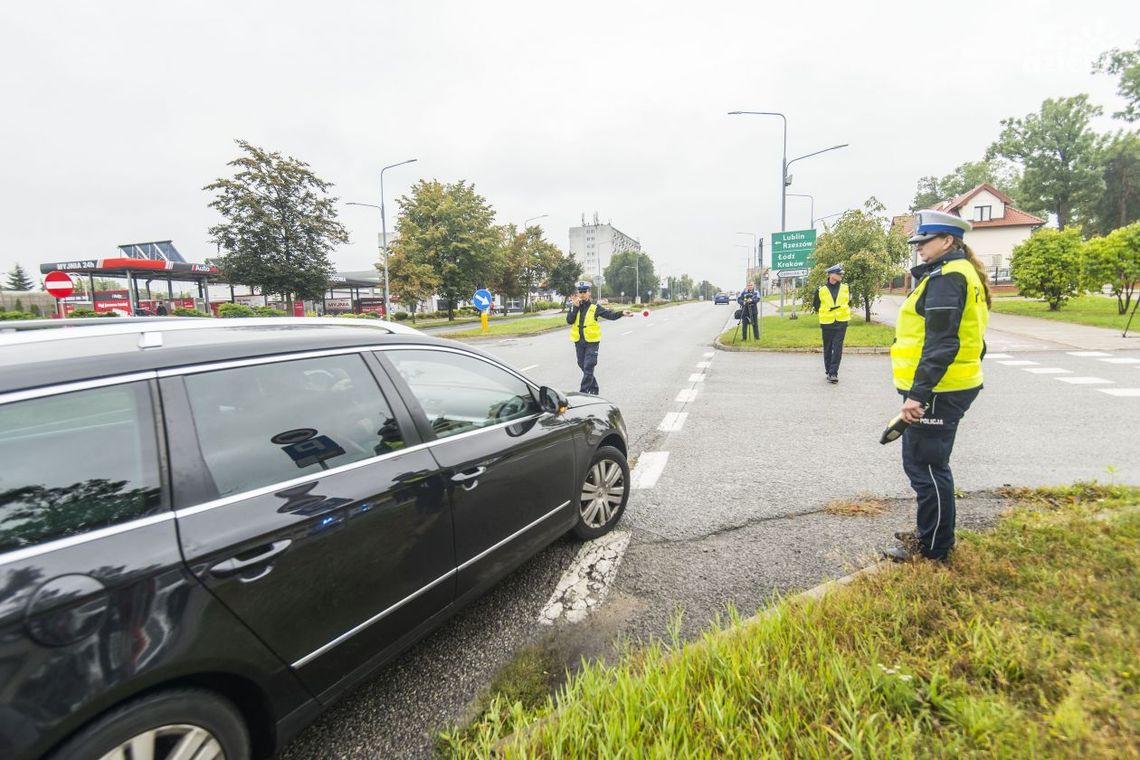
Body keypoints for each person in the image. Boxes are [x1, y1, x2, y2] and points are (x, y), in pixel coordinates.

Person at [884, 210, 990, 564]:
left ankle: (934, 550)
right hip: (947, 385)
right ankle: (929, 534)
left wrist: (918, 396)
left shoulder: (948, 277)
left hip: (939, 390)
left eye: (924, 242)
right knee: (924, 463)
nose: (919, 249)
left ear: (947, 241)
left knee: (927, 467)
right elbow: (971, 336)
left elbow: (942, 342)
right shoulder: (960, 273)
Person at [566, 281, 632, 395]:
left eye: (584, 292)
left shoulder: (595, 308)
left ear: (589, 293)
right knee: (582, 365)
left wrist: (622, 313)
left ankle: (583, 392)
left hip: (592, 342)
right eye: (580, 292)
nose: (582, 294)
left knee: (588, 366)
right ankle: (594, 388)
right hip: (579, 342)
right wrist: (575, 308)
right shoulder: (574, 306)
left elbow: (610, 315)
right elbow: (569, 320)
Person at [813, 264, 850, 383]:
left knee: (837, 347)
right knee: (828, 347)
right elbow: (816, 306)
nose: (841, 275)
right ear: (830, 275)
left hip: (841, 321)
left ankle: (834, 372)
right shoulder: (820, 290)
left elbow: (850, 301)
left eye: (841, 274)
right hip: (827, 322)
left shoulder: (846, 287)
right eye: (838, 274)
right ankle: (828, 370)